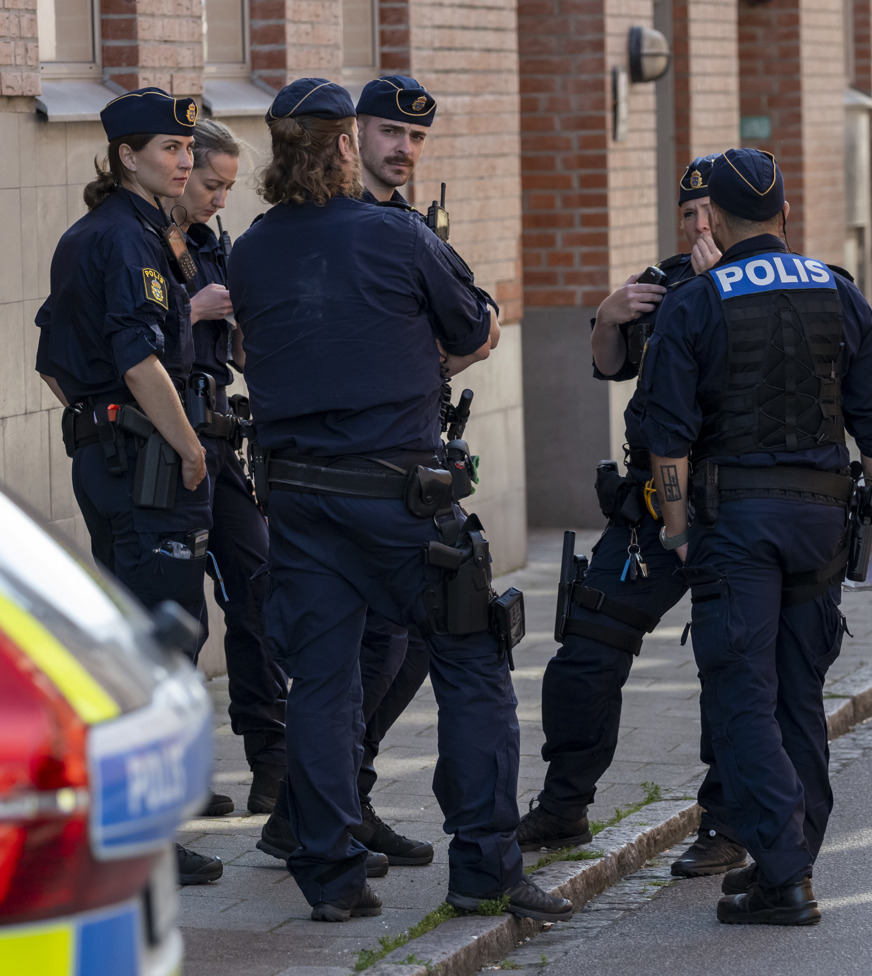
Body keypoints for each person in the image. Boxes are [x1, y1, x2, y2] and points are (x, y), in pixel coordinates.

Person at [227, 77, 572, 925]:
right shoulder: (397, 234)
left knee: (321, 683)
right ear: (347, 144)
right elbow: (474, 328)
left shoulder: (251, 250)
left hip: (297, 499)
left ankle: (331, 876)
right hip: (399, 497)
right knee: (474, 659)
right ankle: (485, 867)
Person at [642, 148, 872, 925]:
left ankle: (785, 875)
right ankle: (791, 859)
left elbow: (667, 440)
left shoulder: (696, 301)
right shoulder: (838, 290)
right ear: (785, 213)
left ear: (714, 220)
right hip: (822, 521)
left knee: (742, 696)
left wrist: (678, 530)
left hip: (736, 526)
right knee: (799, 695)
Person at [516, 155, 748, 881]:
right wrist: (608, 317)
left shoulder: (768, 283)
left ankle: (725, 823)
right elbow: (612, 366)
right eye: (688, 215)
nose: (699, 227)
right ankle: (564, 804)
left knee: (733, 664)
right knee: (586, 650)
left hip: (734, 509)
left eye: (710, 214)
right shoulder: (663, 281)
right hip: (649, 509)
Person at [256, 75, 448, 872]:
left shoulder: (408, 227)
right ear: (350, 137)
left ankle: (330, 806)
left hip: (399, 458)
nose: (403, 149)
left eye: (416, 138)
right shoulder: (305, 232)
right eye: (389, 133)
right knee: (362, 657)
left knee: (394, 650)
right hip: (352, 476)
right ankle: (322, 814)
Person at [33, 87, 224, 886]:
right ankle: (145, 834)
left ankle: (133, 818)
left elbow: (51, 358)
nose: (184, 161)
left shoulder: (117, 230)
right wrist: (186, 446)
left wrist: (94, 419)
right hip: (145, 466)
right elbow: (141, 361)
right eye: (169, 149)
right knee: (163, 640)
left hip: (114, 457)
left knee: (138, 638)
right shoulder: (125, 238)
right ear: (126, 156)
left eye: (186, 149)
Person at [165, 117, 290, 817]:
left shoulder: (216, 244)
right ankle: (179, 777)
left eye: (226, 188)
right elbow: (106, 349)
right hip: (166, 448)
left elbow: (240, 354)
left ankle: (271, 764)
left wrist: (244, 327)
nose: (217, 198)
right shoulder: (137, 242)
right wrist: (193, 309)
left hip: (219, 438)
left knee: (259, 588)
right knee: (178, 616)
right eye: (210, 184)